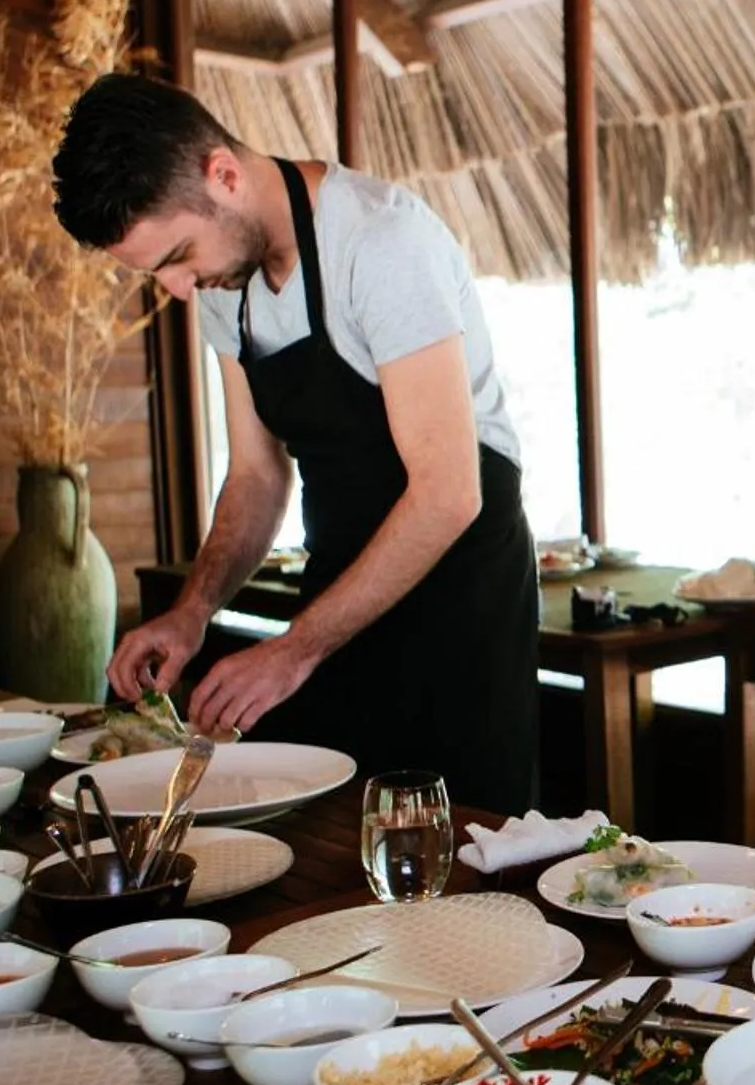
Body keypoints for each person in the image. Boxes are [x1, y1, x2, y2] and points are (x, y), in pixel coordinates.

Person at [51, 73, 538, 813]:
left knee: (464, 855)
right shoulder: (223, 284)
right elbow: (255, 476)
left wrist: (295, 648)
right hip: (342, 580)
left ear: (224, 174)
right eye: (160, 273)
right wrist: (194, 610)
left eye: (179, 256)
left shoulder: (380, 242)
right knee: (335, 836)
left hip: (460, 594)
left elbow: (449, 491)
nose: (181, 289)